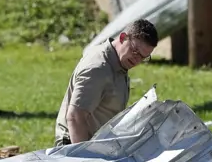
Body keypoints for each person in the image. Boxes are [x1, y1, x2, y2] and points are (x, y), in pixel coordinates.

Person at [54, 19, 158, 147]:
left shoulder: (119, 62)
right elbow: (75, 117)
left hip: (95, 146)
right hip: (74, 146)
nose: (137, 60)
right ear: (123, 38)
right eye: (135, 51)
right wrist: (83, 156)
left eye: (143, 57)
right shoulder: (98, 68)